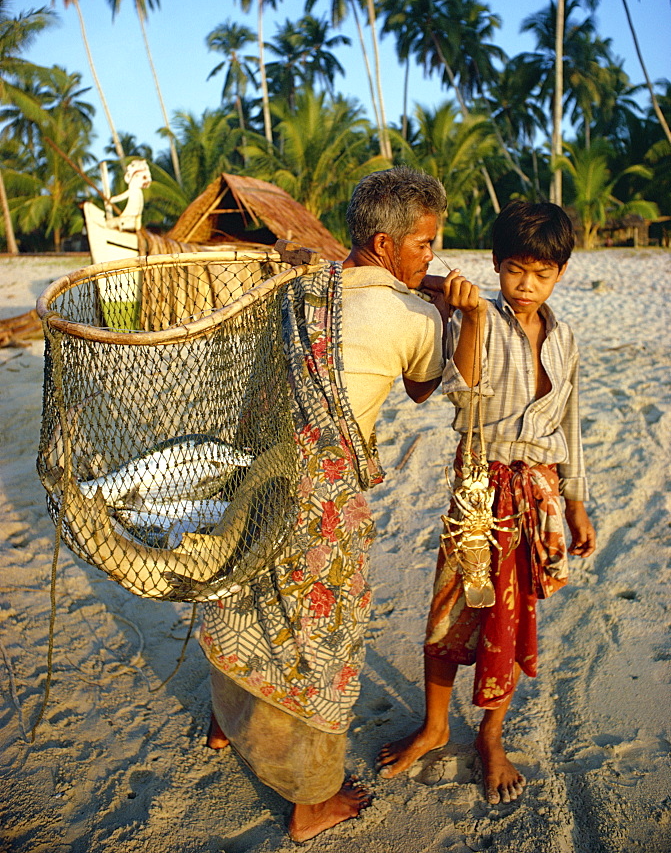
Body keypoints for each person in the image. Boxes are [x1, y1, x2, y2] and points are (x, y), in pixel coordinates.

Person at [200, 167, 449, 843]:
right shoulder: (415, 317)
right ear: (384, 242)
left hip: (258, 479)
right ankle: (310, 800)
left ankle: (225, 723)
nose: (432, 256)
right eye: (424, 244)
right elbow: (425, 389)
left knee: (243, 600)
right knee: (317, 646)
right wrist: (446, 305)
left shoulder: (296, 290)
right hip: (320, 507)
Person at [377, 200, 596, 805]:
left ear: (562, 273)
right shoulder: (479, 319)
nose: (527, 286)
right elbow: (463, 392)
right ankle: (436, 724)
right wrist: (469, 319)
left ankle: (492, 736)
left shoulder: (566, 337)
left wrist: (576, 499)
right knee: (451, 607)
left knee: (514, 613)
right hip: (481, 485)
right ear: (497, 266)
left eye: (542, 273)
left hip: (540, 491)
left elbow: (570, 421)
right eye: (516, 270)